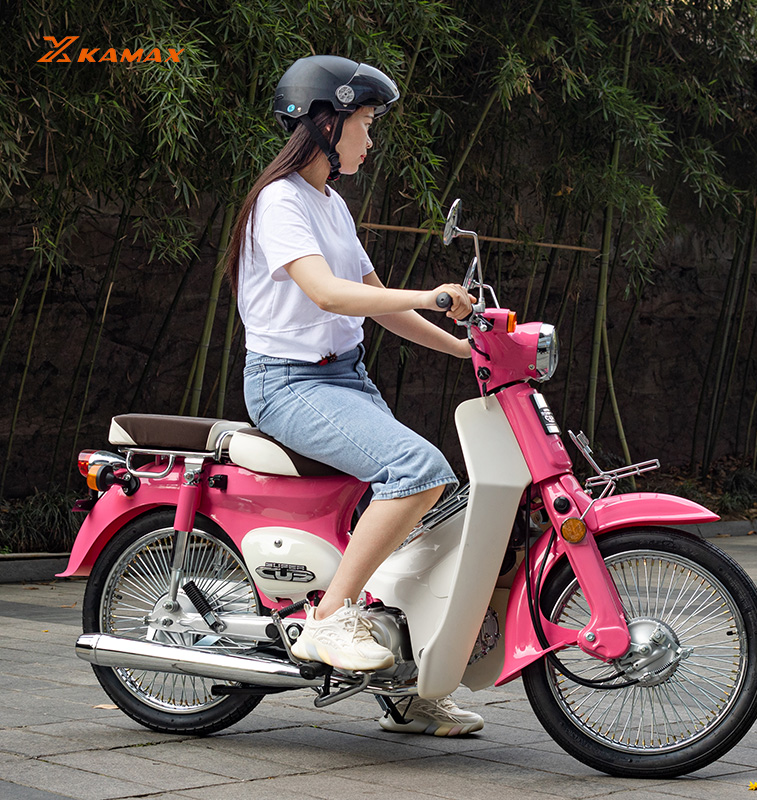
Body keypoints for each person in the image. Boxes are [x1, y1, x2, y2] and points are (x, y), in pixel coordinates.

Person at [225, 55, 483, 736]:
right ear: (325, 122)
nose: (370, 139)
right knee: (418, 470)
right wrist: (432, 294)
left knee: (435, 510)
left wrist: (466, 350)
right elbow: (330, 294)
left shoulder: (331, 205)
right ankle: (328, 618)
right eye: (365, 123)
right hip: (289, 382)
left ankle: (408, 685)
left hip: (345, 376)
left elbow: (378, 305)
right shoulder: (280, 201)